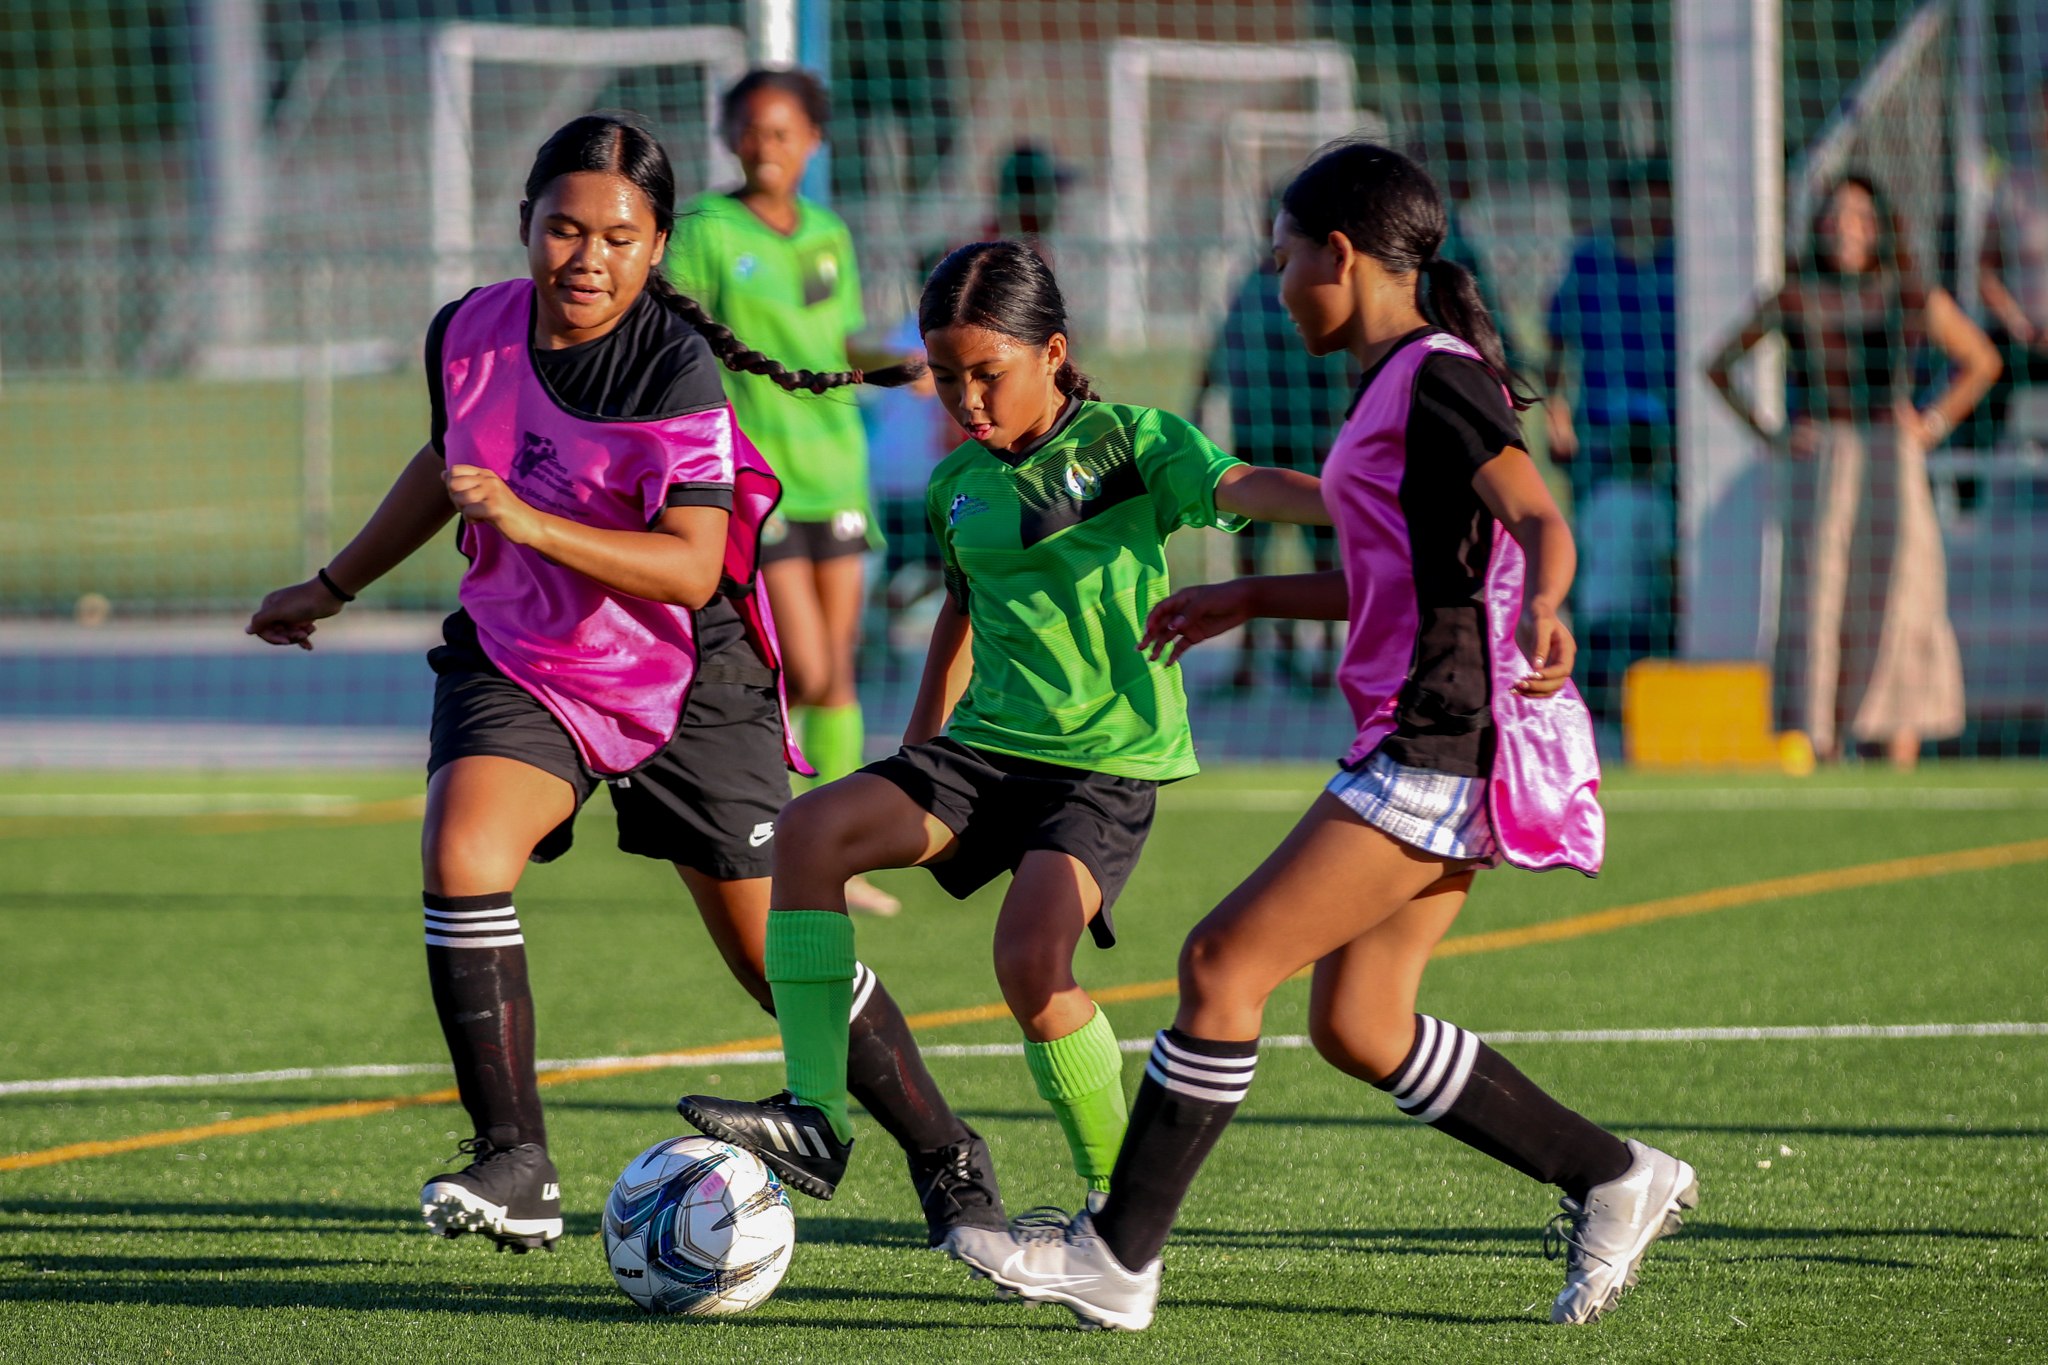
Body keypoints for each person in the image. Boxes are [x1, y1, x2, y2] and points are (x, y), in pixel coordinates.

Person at [944, 142, 1697, 1332]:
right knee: (1359, 1027)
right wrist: (1247, 598)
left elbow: (1536, 514)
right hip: (1430, 736)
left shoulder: (1437, 380)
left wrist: (1548, 596)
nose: (1279, 280)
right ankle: (1615, 1177)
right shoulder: (1392, 382)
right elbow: (1397, 574)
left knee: (1220, 964)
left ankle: (1116, 1255)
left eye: (1284, 256)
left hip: (1441, 741)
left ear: (1338, 256)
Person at [244, 114, 1006, 1256]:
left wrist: (525, 518)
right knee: (463, 853)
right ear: (523, 227)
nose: (585, 258)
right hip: (523, 654)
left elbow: (693, 565)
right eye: (562, 228)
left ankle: (946, 1153)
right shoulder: (468, 330)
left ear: (656, 249)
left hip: (683, 670)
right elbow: (445, 459)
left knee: (771, 959)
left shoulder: (670, 363)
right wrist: (333, 582)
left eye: (617, 235)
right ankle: (514, 1161)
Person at [674, 240, 1331, 1214]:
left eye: (988, 375)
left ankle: (1117, 1208)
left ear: (1053, 353)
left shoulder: (1129, 441)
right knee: (810, 834)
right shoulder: (956, 488)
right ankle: (816, 1111)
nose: (967, 401)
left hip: (1102, 766)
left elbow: (1240, 485)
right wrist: (914, 749)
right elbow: (961, 610)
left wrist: (1360, 505)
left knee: (1029, 964)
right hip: (983, 753)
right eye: (945, 379)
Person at [667, 69, 898, 914]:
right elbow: (675, 333)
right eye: (753, 131)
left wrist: (898, 367)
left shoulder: (830, 232)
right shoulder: (706, 231)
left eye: (785, 133)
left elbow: (836, 340)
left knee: (836, 672)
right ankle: (794, 841)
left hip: (838, 467)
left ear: (814, 142)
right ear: (730, 136)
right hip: (756, 482)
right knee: (806, 667)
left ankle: (833, 851)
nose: (768, 147)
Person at [1709, 173, 2001, 768]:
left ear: (1880, 227)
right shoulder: (1793, 295)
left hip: (1892, 460)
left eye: (1859, 216)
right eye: (1835, 216)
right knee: (1820, 601)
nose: (1845, 227)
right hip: (1824, 465)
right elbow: (1719, 366)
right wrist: (1773, 433)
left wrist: (1931, 423)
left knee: (1899, 600)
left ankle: (1899, 751)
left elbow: (1981, 360)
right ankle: (1824, 745)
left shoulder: (1909, 292)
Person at [1197, 196, 1354, 692]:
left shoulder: (1318, 284)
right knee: (1250, 551)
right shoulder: (1250, 282)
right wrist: (1201, 399)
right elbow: (1222, 346)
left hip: (1310, 433)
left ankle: (1328, 661)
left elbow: (1343, 356)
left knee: (1325, 551)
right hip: (1256, 433)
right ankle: (1247, 660)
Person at [1542, 161, 1678, 724]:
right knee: (1599, 555)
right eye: (1641, 200)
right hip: (1600, 436)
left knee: (1663, 554)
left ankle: (1658, 673)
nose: (1651, 213)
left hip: (1672, 438)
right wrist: (1557, 418)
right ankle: (1597, 683)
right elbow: (1556, 345)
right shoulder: (1589, 262)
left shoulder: (1684, 265)